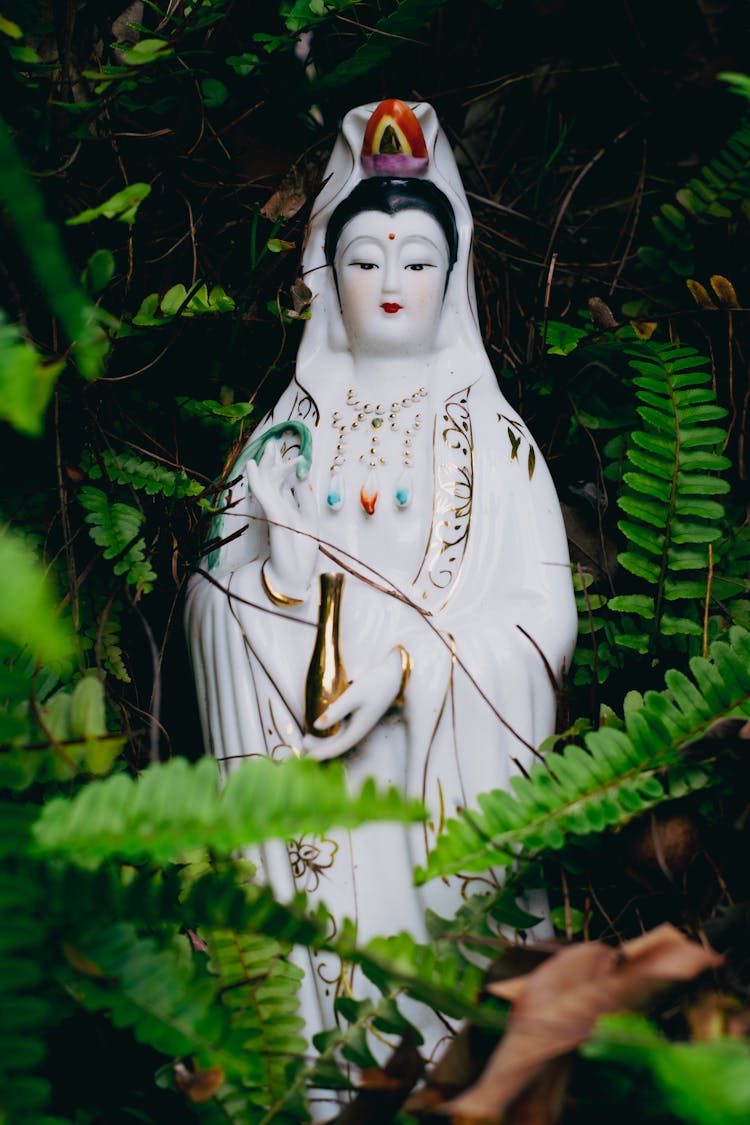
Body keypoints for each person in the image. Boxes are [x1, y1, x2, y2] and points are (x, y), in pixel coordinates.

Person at [185, 99, 577, 1064]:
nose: (391, 283)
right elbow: (212, 596)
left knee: (433, 1010)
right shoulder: (288, 433)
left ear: (453, 279)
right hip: (305, 759)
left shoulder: (495, 437)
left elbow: (544, 619)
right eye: (365, 260)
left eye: (416, 261)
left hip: (430, 757)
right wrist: (281, 582)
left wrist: (413, 670)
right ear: (329, 277)